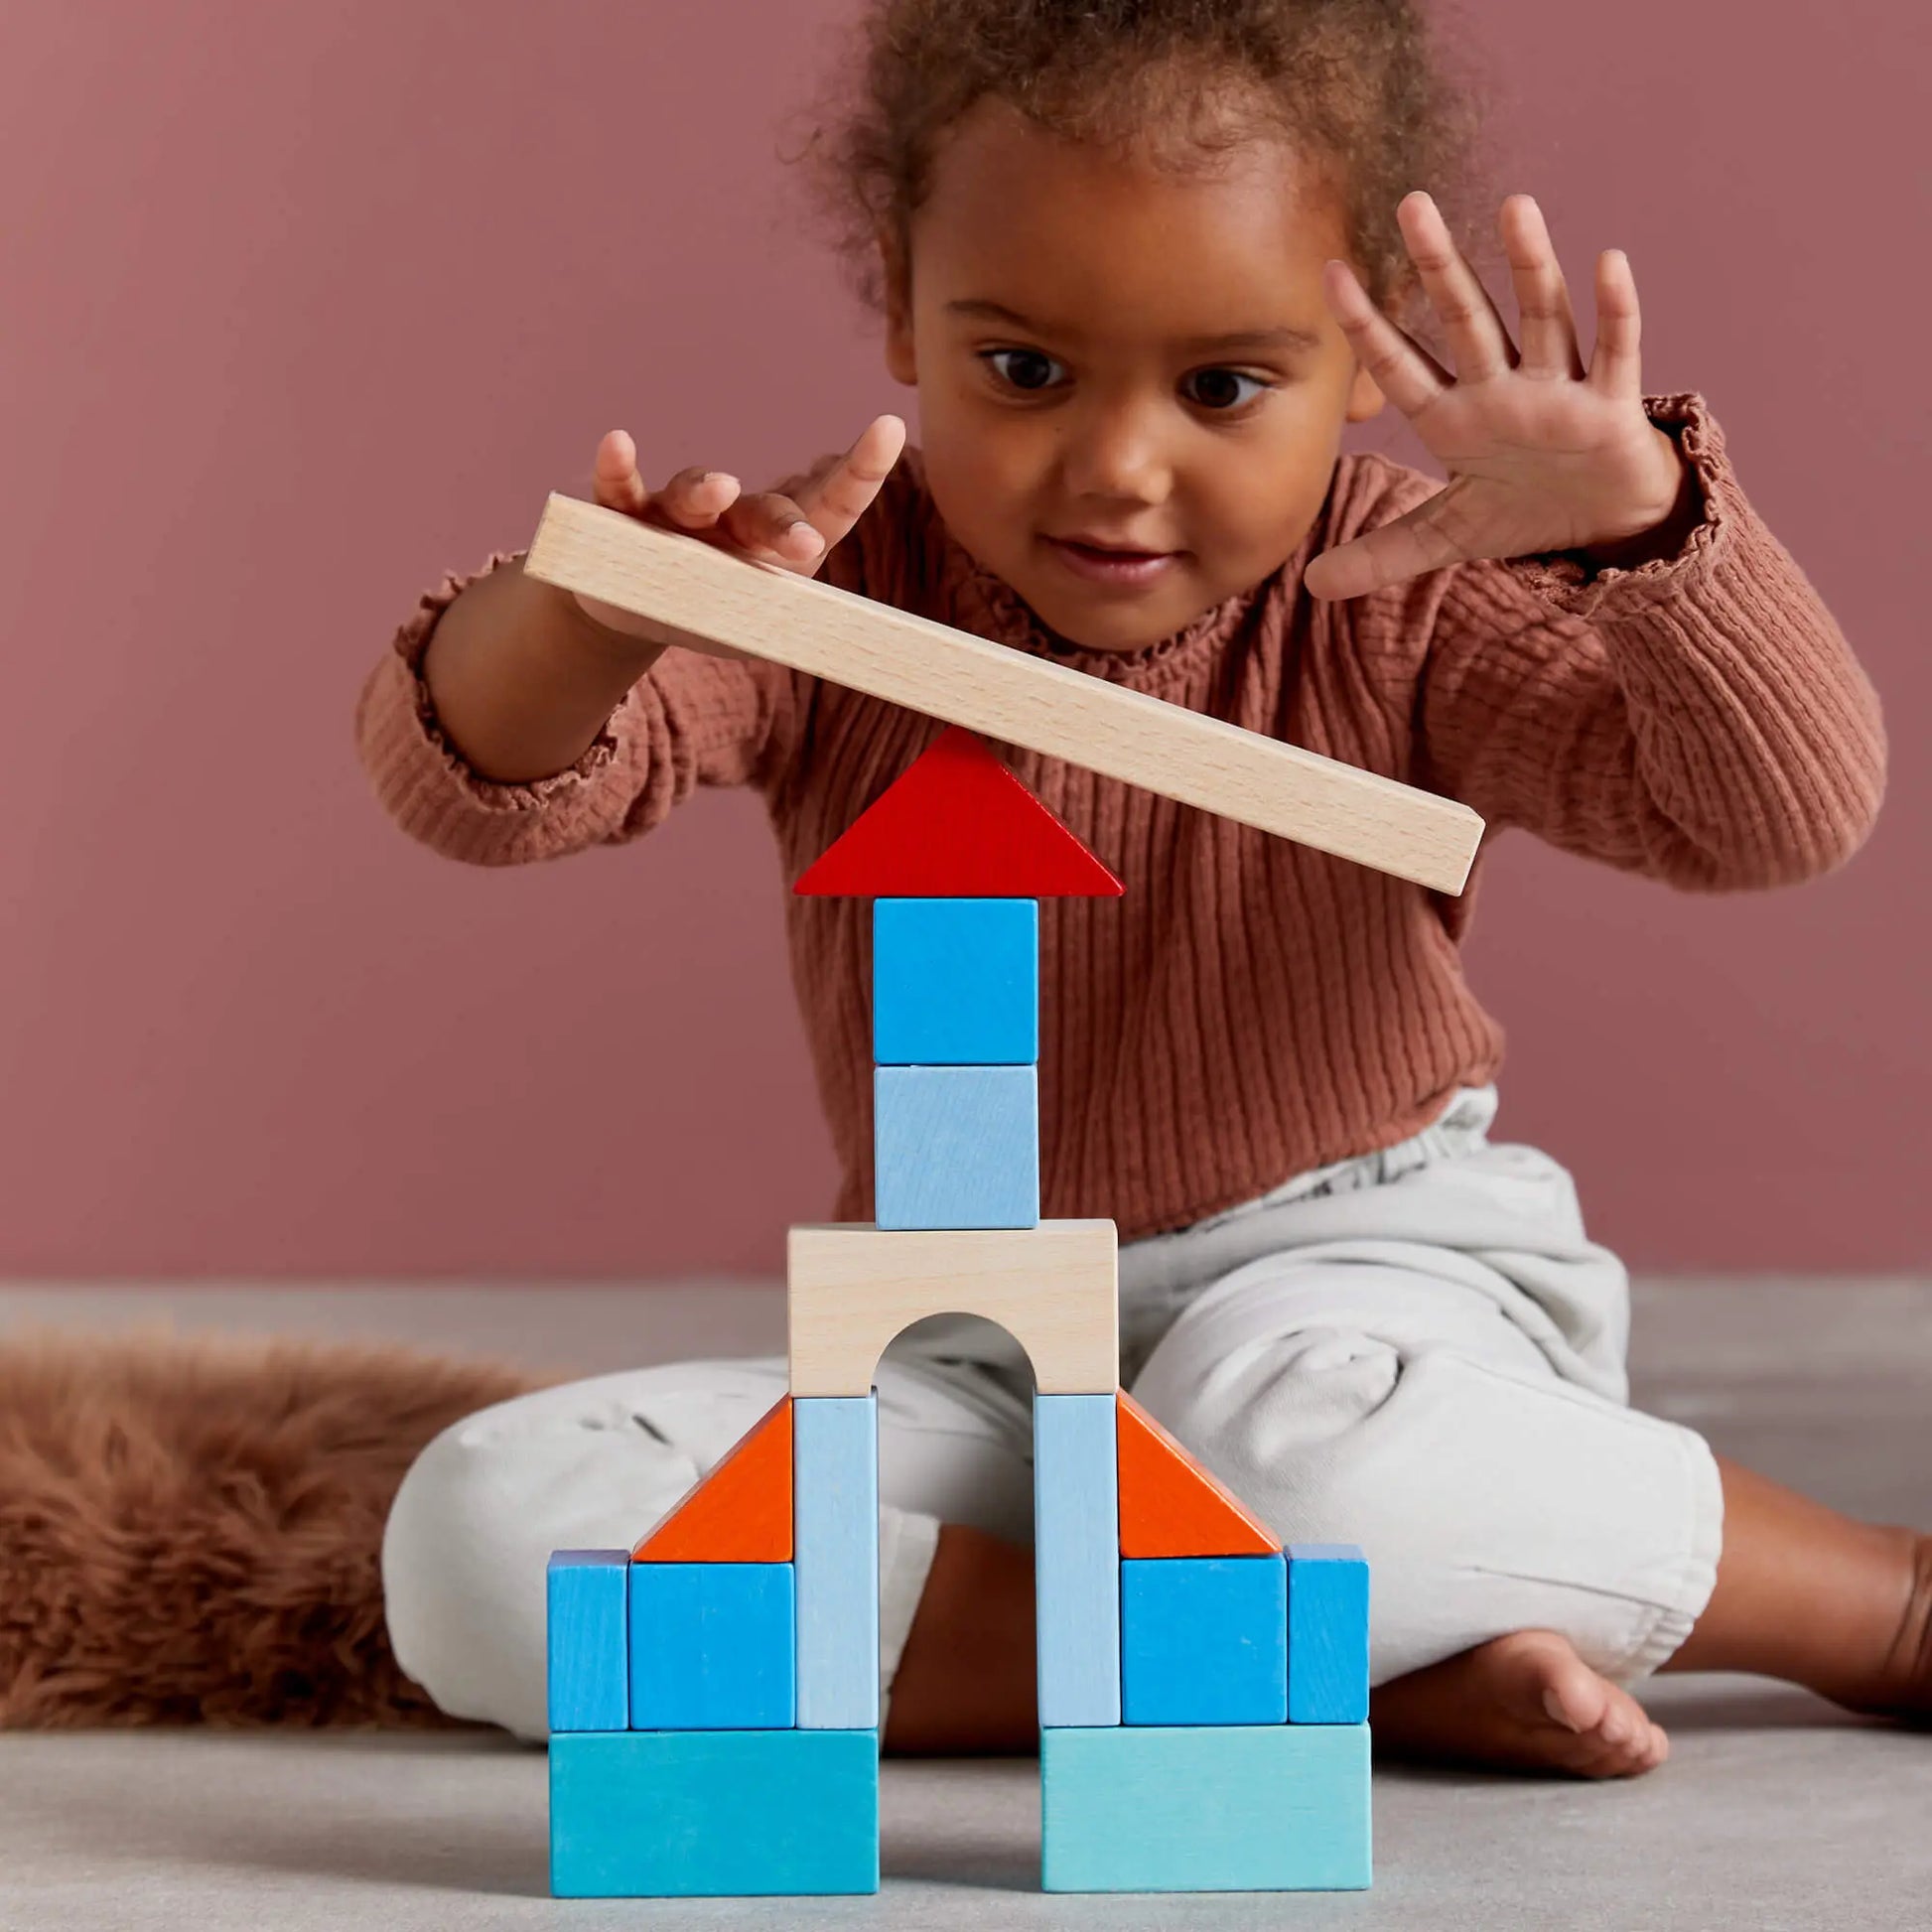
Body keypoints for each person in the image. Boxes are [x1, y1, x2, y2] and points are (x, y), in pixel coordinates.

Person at [356, 0, 1908, 1776]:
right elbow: (484, 795)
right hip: (966, 1349)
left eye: (1223, 386)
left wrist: (1641, 545)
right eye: (1021, 370)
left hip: (1352, 1299)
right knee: (480, 1535)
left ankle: (1874, 1599)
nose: (1113, 466)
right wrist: (579, 621)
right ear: (898, 298)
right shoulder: (823, 588)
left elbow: (1766, 817)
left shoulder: (1393, 593)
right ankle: (1317, 1660)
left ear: (1363, 356)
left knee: (1302, 1463)